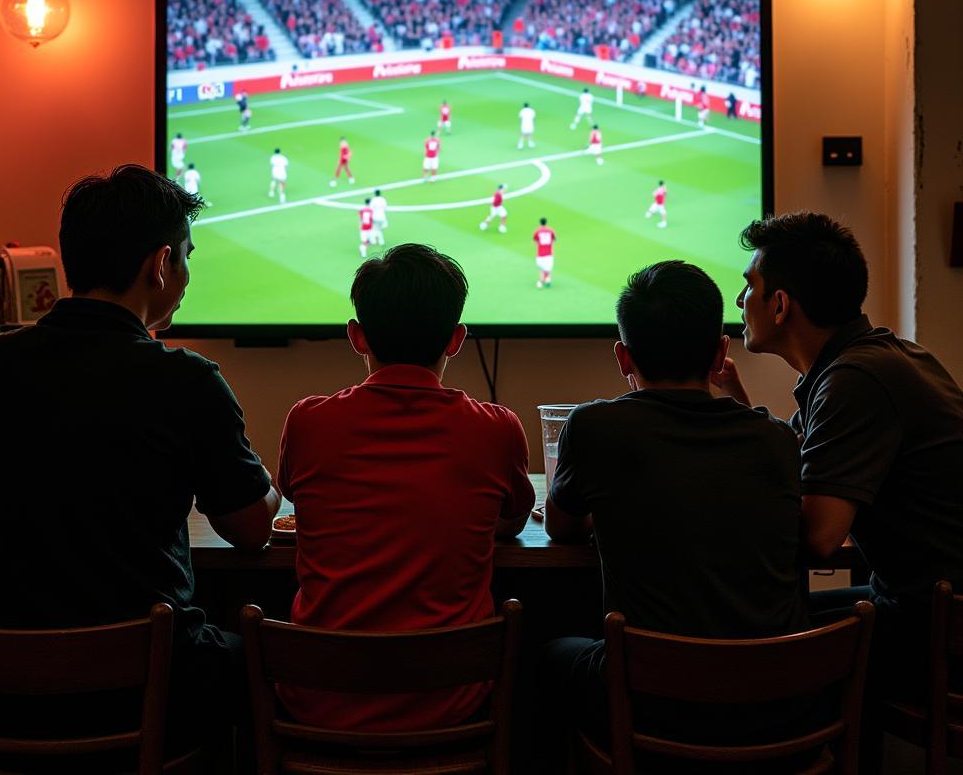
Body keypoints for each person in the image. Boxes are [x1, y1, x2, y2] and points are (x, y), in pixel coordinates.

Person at [0, 164, 280, 751]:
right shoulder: (187, 381)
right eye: (187, 257)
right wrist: (275, 483)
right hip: (140, 696)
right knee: (264, 659)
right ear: (161, 263)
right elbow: (251, 529)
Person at [541, 261, 807, 771]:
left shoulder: (595, 427)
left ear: (623, 357)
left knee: (547, 647)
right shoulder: (776, 440)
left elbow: (562, 527)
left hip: (652, 710)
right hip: (778, 711)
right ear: (720, 353)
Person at [718, 212, 963, 753]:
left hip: (940, 628)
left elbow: (819, 537)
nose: (740, 302)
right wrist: (736, 404)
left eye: (748, 287)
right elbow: (796, 467)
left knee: (743, 642)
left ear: (781, 305)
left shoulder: (854, 380)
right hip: (926, 606)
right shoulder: (872, 359)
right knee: (769, 623)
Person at [276, 244, 534, 731]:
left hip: (319, 705)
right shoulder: (498, 429)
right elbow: (512, 523)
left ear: (356, 336)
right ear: (457, 339)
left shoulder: (308, 421)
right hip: (454, 705)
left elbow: (295, 501)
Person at [533, 217, 556, 289]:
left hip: (540, 254)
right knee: (547, 269)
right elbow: (554, 239)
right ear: (546, 222)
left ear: (540, 223)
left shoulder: (537, 231)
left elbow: (535, 240)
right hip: (549, 254)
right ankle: (547, 279)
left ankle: (542, 281)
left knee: (542, 269)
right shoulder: (551, 231)